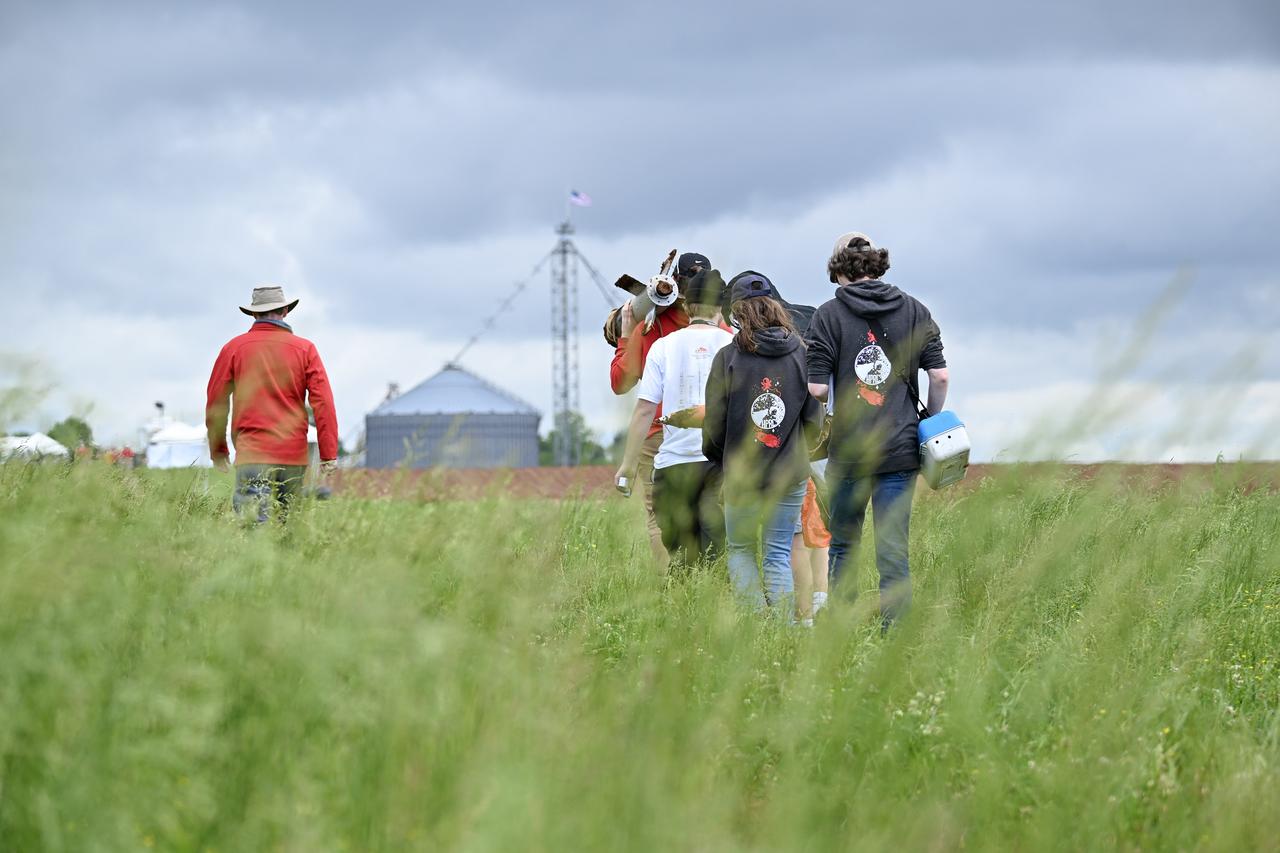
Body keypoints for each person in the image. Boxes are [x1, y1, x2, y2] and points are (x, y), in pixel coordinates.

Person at [805, 232, 949, 628]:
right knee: (893, 550)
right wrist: (928, 423)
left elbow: (817, 388)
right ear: (878, 265)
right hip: (901, 449)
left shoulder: (827, 316)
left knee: (845, 547)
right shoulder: (916, 311)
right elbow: (939, 376)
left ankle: (841, 633)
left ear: (838, 272)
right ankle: (895, 638)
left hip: (850, 452)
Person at [703, 272, 824, 613]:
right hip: (789, 473)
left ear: (737, 312)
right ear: (774, 305)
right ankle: (782, 633)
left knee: (741, 550)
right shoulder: (802, 355)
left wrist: (722, 459)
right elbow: (813, 421)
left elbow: (714, 424)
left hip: (742, 473)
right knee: (778, 553)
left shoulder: (727, 358)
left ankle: (757, 630)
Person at [615, 268, 732, 567]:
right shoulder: (734, 345)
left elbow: (644, 410)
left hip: (674, 462)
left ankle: (684, 602)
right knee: (719, 548)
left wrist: (627, 466)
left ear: (687, 305)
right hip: (721, 461)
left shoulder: (662, 347)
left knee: (680, 553)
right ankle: (717, 602)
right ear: (719, 308)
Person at [206, 285, 339, 522]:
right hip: (293, 456)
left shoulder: (233, 348)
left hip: (252, 453)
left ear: (254, 314)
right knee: (287, 527)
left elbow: (216, 401)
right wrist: (328, 454)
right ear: (286, 311)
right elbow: (324, 402)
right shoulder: (305, 349)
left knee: (254, 528)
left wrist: (218, 449)